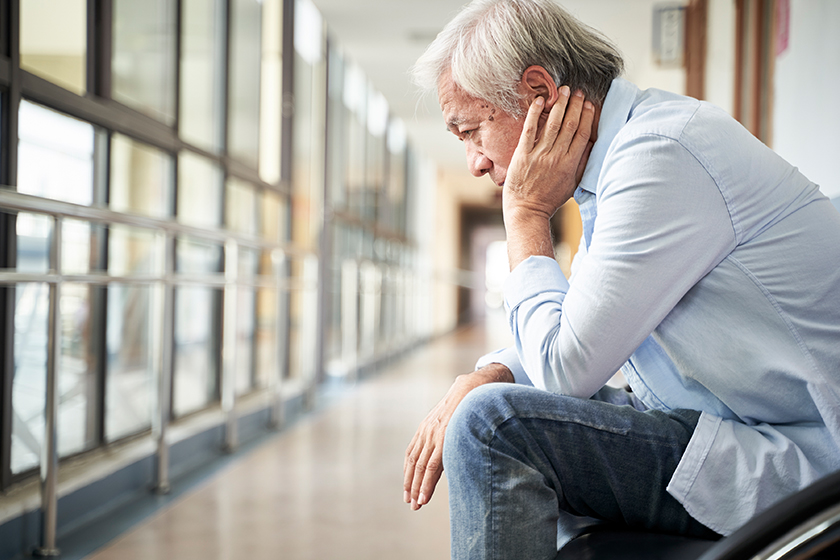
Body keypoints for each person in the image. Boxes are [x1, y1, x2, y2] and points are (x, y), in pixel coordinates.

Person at [401, 0, 840, 558]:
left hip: (805, 463)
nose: (475, 163)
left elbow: (565, 371)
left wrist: (526, 214)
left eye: (471, 130)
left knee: (494, 428)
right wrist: (489, 370)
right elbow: (578, 323)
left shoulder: (661, 154)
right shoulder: (625, 161)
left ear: (538, 93)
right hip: (732, 424)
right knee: (494, 402)